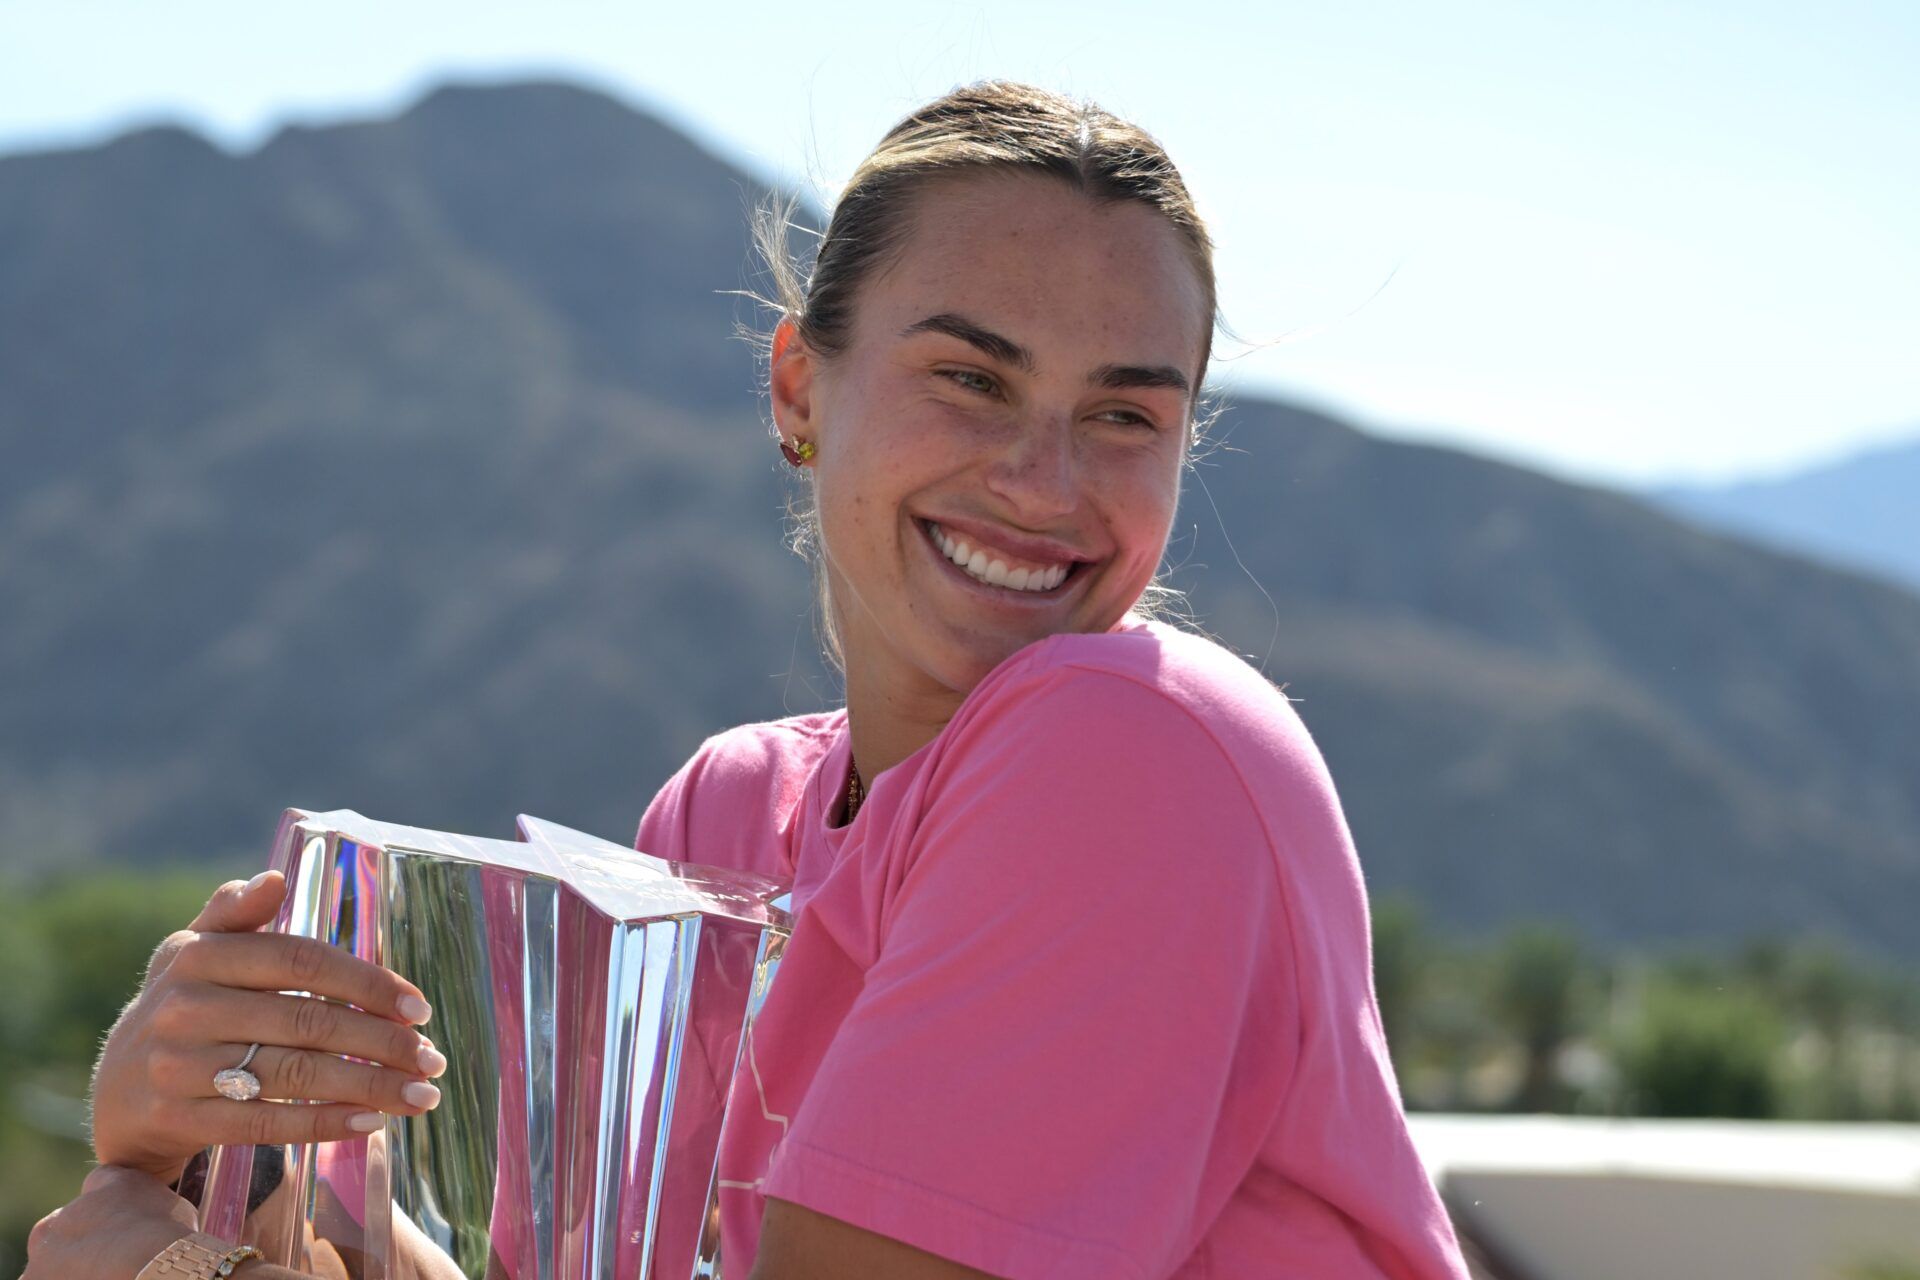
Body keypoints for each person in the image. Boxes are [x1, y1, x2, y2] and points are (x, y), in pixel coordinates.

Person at [28, 81, 1472, 1279]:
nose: (1044, 483)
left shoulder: (1134, 746)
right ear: (798, 390)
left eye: (1123, 414)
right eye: (972, 380)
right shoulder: (726, 812)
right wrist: (217, 1154)